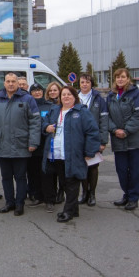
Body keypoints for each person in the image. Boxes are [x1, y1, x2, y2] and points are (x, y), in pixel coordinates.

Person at [0, 73, 40, 216]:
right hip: (3, 144)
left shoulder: (28, 99)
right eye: (8, 81)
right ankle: (9, 202)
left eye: (13, 81)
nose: (10, 84)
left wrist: (33, 142)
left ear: (18, 83)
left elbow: (35, 123)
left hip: (21, 144)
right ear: (4, 83)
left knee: (20, 177)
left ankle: (19, 203)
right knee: (6, 177)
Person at [41, 86, 100, 223]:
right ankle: (74, 209)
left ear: (74, 97)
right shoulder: (55, 110)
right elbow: (43, 122)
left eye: (69, 94)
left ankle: (68, 212)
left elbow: (92, 132)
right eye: (63, 95)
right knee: (64, 182)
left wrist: (90, 152)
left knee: (72, 182)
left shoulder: (81, 111)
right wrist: (46, 127)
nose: (66, 97)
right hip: (56, 154)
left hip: (73, 154)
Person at [107, 68, 139, 211]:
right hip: (118, 139)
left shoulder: (137, 94)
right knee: (121, 170)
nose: (120, 79)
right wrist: (114, 129)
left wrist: (126, 130)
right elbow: (107, 117)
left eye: (123, 77)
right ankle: (126, 193)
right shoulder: (111, 96)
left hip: (133, 139)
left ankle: (133, 198)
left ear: (128, 78)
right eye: (117, 77)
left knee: (134, 170)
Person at [77, 73, 108, 207]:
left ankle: (92, 194)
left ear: (91, 84)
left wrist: (103, 141)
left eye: (87, 82)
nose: (84, 84)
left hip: (93, 138)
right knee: (83, 166)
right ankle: (84, 193)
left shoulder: (98, 99)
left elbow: (104, 121)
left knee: (93, 166)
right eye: (82, 82)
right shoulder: (75, 97)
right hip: (78, 139)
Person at [27, 83, 53, 209]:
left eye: (39, 90)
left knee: (47, 173)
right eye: (34, 91)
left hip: (46, 145)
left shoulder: (50, 106)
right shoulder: (29, 105)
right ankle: (37, 197)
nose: (37, 93)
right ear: (30, 93)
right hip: (33, 145)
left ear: (43, 92)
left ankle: (49, 199)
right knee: (34, 173)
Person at [44, 81, 65, 204]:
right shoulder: (46, 104)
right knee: (51, 172)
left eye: (55, 90)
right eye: (50, 90)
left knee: (61, 171)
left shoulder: (64, 105)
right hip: (48, 141)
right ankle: (53, 193)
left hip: (60, 143)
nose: (52, 92)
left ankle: (61, 192)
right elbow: (44, 121)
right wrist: (46, 126)